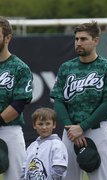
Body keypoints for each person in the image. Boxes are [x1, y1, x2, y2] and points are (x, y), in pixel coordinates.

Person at [50, 21, 107, 180]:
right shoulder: (66, 67)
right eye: (76, 39)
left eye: (83, 39)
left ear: (96, 41)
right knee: (67, 177)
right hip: (70, 132)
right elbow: (59, 101)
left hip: (98, 130)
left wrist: (83, 127)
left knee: (101, 177)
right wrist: (70, 128)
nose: (78, 43)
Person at [0, 16, 33, 179]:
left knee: (16, 176)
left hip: (9, 130)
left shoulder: (20, 67)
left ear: (8, 38)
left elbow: (19, 103)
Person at [21, 107, 68, 180]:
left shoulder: (57, 144)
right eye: (40, 124)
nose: (44, 127)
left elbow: (59, 167)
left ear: (54, 125)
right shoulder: (32, 146)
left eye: (48, 123)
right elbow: (24, 169)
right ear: (34, 125)